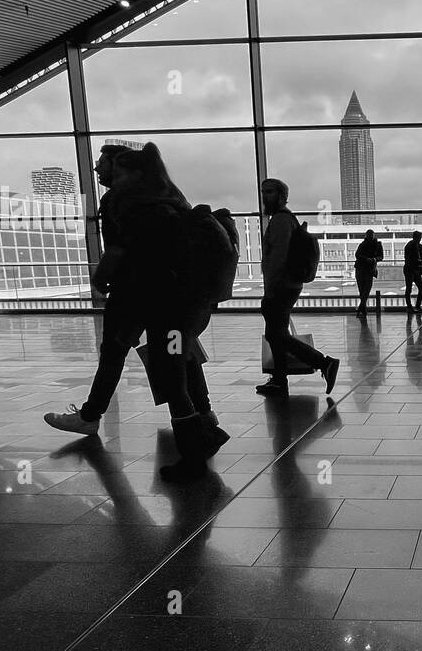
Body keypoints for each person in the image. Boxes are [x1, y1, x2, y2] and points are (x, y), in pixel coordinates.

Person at [43, 143, 220, 444]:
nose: (97, 169)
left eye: (104, 163)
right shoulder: (171, 197)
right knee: (177, 357)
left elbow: (117, 250)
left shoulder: (120, 199)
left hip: (133, 294)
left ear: (124, 167)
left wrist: (100, 281)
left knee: (115, 354)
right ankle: (204, 416)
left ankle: (91, 417)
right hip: (177, 299)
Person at [254, 178, 341, 399]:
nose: (265, 196)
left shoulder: (281, 221)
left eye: (270, 192)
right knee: (275, 334)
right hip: (285, 285)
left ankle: (324, 363)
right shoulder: (285, 219)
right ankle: (279, 381)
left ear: (282, 196)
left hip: (281, 286)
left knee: (277, 335)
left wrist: (271, 289)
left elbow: (278, 258)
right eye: (263, 192)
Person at [353, 228, 382, 317]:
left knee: (363, 291)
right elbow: (380, 257)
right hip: (368, 269)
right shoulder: (376, 245)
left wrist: (369, 259)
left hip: (362, 268)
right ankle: (363, 310)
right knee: (365, 291)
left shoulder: (363, 244)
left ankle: (362, 309)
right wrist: (373, 259)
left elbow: (357, 255)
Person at [403, 230, 422, 312]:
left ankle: (414, 306)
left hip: (415, 270)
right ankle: (411, 307)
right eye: (419, 238)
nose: (419, 239)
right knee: (409, 289)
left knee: (420, 289)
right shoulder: (410, 246)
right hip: (410, 270)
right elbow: (410, 259)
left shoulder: (419, 247)